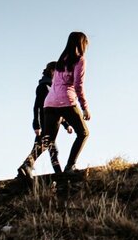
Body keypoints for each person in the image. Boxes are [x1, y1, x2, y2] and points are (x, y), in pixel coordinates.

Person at [18, 32, 90, 178]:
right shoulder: (80, 60)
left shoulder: (61, 61)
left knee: (48, 139)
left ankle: (27, 164)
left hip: (50, 103)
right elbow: (78, 85)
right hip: (66, 101)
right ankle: (70, 166)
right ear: (82, 44)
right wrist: (84, 107)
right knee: (83, 133)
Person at [32, 61, 74, 175]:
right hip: (44, 125)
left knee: (51, 150)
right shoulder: (43, 87)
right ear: (52, 71)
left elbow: (57, 110)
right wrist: (37, 125)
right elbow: (37, 107)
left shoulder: (52, 87)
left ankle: (58, 174)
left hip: (50, 124)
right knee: (44, 149)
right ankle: (24, 169)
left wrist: (66, 125)